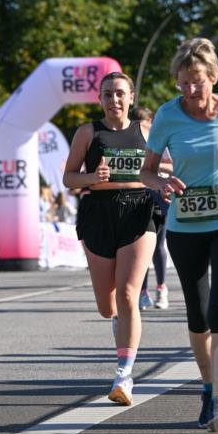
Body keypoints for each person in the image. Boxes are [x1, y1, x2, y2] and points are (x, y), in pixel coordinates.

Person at [140, 37, 218, 433]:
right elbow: (147, 169)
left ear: (213, 77)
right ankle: (208, 388)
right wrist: (160, 183)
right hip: (184, 224)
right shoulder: (167, 115)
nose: (191, 91)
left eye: (197, 82)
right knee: (197, 314)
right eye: (183, 83)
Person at [63, 71, 158, 406]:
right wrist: (92, 176)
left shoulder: (147, 131)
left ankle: (124, 374)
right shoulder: (88, 132)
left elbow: (169, 167)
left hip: (138, 212)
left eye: (120, 94)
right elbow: (68, 178)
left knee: (130, 295)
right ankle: (119, 324)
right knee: (108, 306)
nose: (114, 100)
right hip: (98, 212)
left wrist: (161, 178)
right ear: (99, 99)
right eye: (107, 94)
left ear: (131, 97)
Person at [133, 106, 171, 311]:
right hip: (140, 197)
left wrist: (151, 166)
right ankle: (143, 292)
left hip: (161, 197)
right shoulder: (133, 142)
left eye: (146, 123)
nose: (142, 128)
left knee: (158, 245)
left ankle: (161, 288)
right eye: (138, 124)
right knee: (142, 247)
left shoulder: (160, 141)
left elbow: (173, 166)